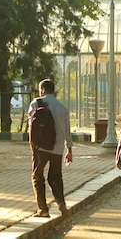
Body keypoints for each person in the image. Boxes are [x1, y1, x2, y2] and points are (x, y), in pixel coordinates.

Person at [28, 78, 73, 217]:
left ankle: (43, 209)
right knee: (55, 176)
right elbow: (67, 131)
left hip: (41, 146)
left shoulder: (36, 103)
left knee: (38, 176)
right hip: (57, 148)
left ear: (42, 90)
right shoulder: (62, 108)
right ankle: (61, 203)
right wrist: (69, 150)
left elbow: (31, 126)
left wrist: (33, 144)